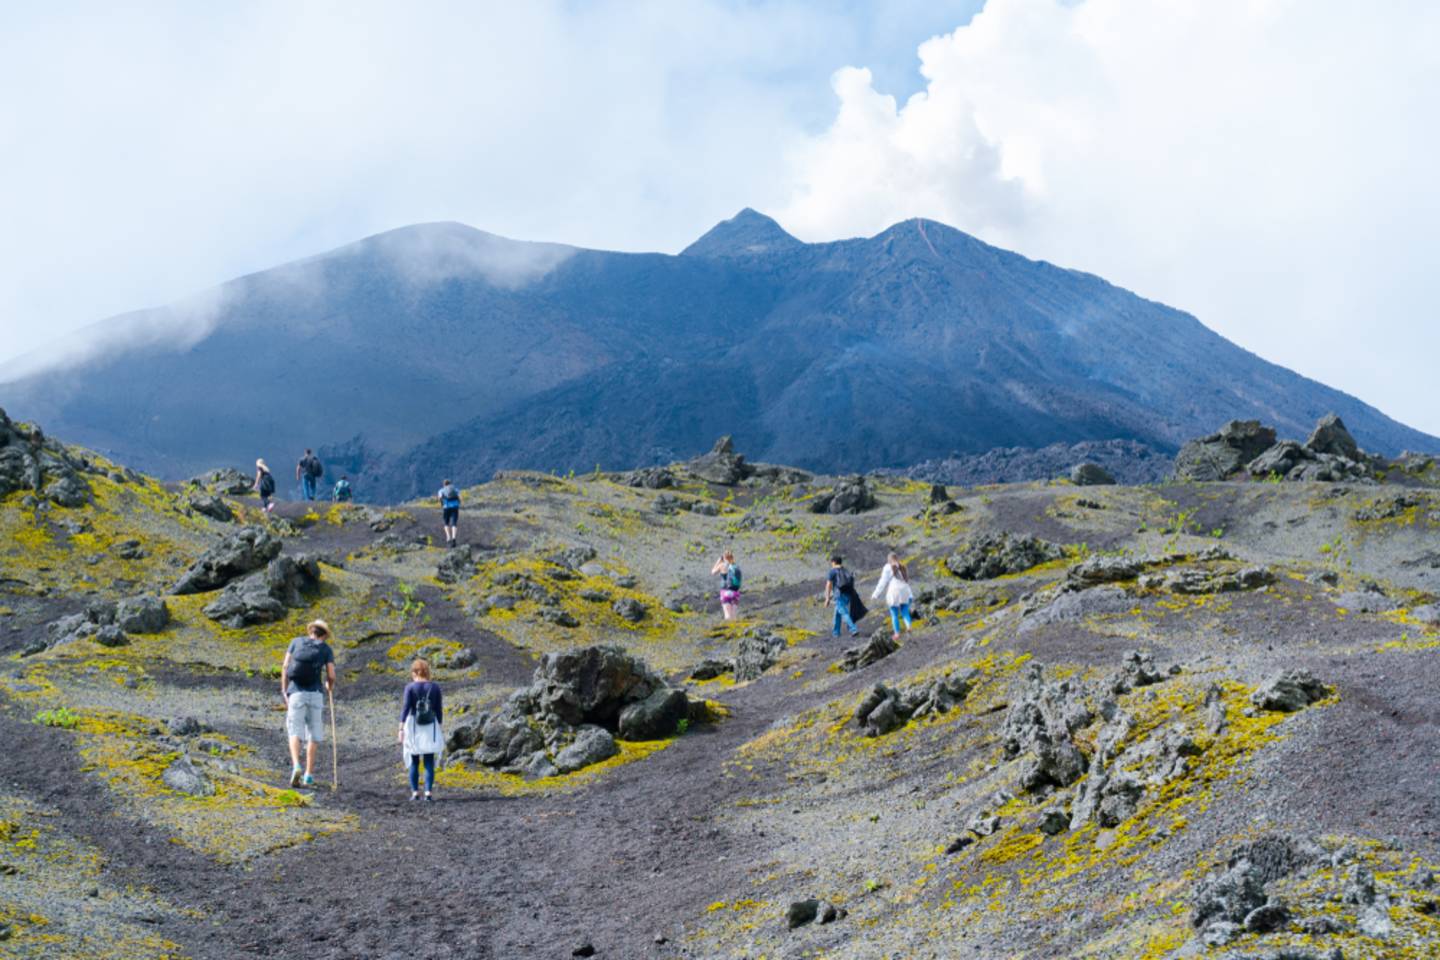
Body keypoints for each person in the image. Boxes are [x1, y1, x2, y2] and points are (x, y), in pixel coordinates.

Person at [280, 620, 336, 787]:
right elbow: (331, 675)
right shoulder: (325, 649)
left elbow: (285, 667)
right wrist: (329, 686)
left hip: (295, 692)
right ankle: (308, 775)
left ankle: (296, 765)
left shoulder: (296, 642)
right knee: (313, 734)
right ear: (324, 635)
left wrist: (284, 690)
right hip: (315, 694)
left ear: (310, 630)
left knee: (294, 730)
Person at [398, 658, 444, 802]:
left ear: (415, 672)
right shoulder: (435, 687)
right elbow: (438, 708)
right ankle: (428, 793)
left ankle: (415, 793)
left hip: (413, 726)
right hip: (431, 725)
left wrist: (400, 728)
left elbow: (406, 708)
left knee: (414, 760)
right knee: (429, 761)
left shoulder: (410, 688)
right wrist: (440, 726)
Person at [871, 552, 914, 641]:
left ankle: (897, 634)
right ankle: (909, 626)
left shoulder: (887, 567)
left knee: (894, 614)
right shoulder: (902, 566)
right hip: (905, 591)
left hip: (894, 591)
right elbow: (906, 582)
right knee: (905, 612)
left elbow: (882, 582)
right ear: (897, 558)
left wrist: (875, 594)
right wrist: (910, 596)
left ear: (889, 560)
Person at [823, 555, 867, 638]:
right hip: (848, 594)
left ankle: (853, 629)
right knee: (837, 613)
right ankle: (836, 633)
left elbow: (828, 585)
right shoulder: (845, 570)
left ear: (833, 562)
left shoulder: (832, 571)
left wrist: (827, 598)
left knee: (844, 613)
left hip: (839, 595)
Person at [710, 550, 742, 620]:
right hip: (735, 592)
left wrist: (718, 561)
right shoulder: (736, 566)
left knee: (727, 616)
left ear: (724, 557)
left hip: (726, 592)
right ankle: (735, 629)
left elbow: (713, 572)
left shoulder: (722, 565)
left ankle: (729, 630)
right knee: (733, 616)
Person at [437, 479, 461, 547]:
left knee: (446, 523)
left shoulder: (441, 490)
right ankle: (454, 538)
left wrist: (442, 503)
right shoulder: (455, 490)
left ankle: (448, 538)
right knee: (454, 523)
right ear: (450, 484)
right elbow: (459, 498)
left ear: (444, 484)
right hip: (455, 507)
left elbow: (440, 498)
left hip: (446, 507)